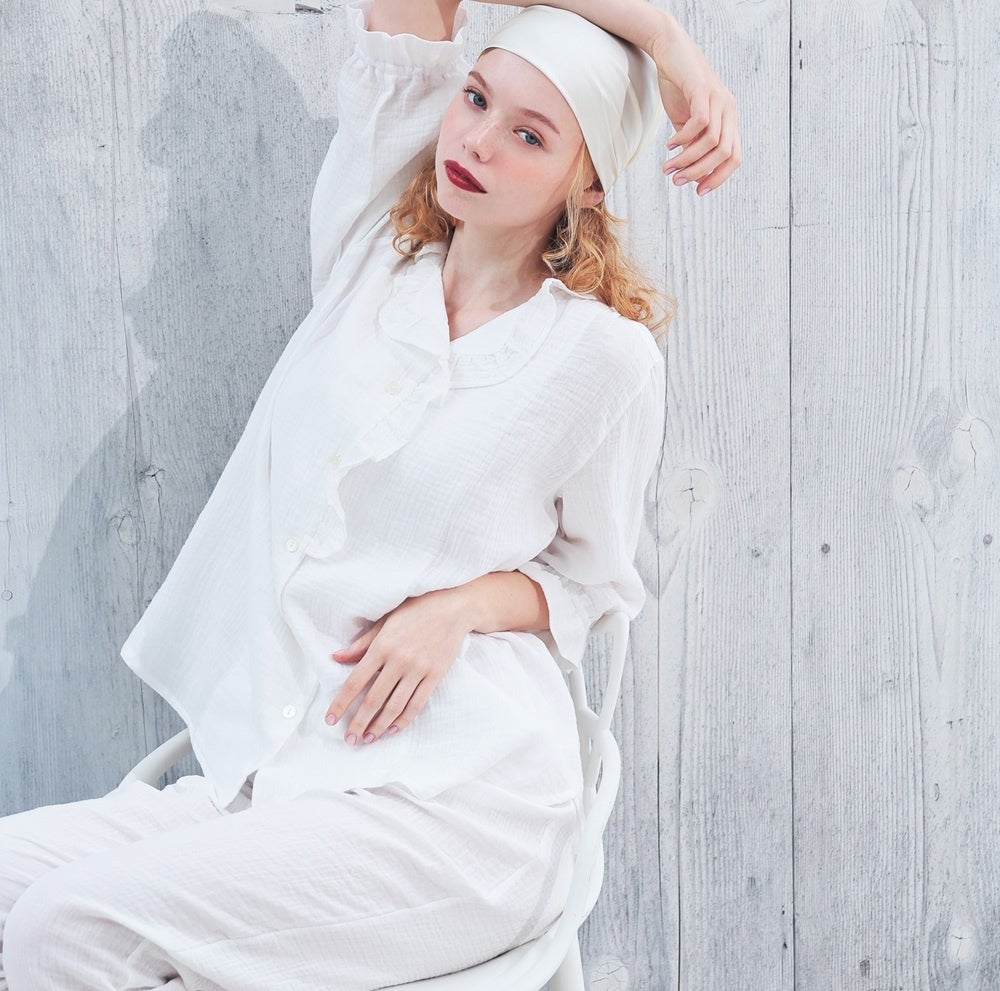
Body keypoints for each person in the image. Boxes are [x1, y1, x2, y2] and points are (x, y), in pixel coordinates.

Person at [0, 1, 740, 988]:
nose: (477, 141)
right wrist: (664, 38)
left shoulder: (602, 358)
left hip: (463, 807)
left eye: (530, 136)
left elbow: (593, 582)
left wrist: (457, 609)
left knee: (65, 928)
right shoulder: (372, 252)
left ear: (588, 183)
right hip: (282, 766)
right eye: (474, 98)